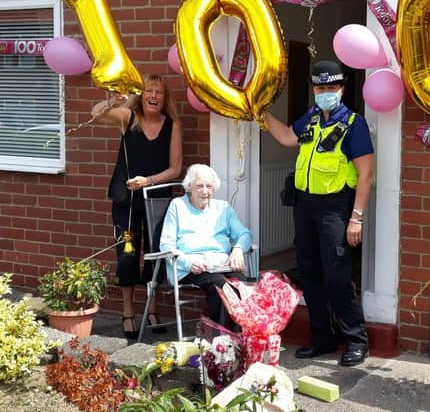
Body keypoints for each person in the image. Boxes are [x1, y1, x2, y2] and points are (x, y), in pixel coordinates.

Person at [263, 60, 374, 367]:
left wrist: (357, 218)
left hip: (336, 209)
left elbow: (365, 175)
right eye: (320, 87)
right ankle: (322, 337)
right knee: (309, 274)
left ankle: (355, 340)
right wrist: (261, 115)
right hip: (305, 207)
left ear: (342, 88)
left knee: (337, 276)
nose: (325, 93)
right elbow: (287, 136)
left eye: (331, 88)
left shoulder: (353, 124)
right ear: (314, 89)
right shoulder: (312, 118)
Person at [92, 74, 183, 339]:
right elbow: (96, 113)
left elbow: (175, 168)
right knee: (129, 253)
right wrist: (122, 100)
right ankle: (128, 312)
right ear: (141, 96)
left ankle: (151, 310)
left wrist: (148, 181)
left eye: (159, 92)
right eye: (148, 91)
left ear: (165, 99)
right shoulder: (127, 119)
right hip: (127, 204)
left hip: (157, 203)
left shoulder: (173, 125)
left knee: (155, 255)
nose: (154, 96)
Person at [158, 164, 252, 328]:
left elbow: (245, 234)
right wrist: (188, 262)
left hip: (220, 265)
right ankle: (223, 338)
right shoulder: (177, 206)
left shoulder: (223, 208)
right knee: (220, 286)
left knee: (242, 284)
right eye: (199, 185)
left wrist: (237, 250)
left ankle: (240, 337)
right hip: (191, 267)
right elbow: (166, 244)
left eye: (209, 186)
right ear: (190, 187)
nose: (205, 191)